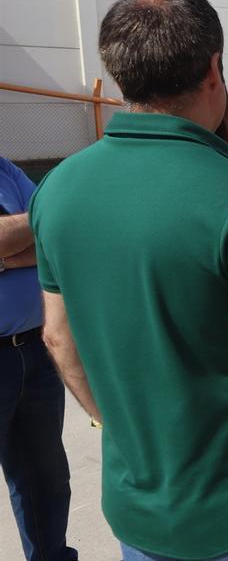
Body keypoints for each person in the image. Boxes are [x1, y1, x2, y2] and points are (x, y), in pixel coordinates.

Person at [29, 0, 228, 560]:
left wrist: (115, 424)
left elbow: (57, 335)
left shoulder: (57, 189)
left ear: (120, 76)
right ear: (214, 69)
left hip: (137, 512)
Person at [0, 155, 77, 561]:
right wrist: (36, 221)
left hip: (34, 350)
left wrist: (5, 256)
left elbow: (57, 233)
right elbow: (44, 221)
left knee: (46, 478)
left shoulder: (6, 169)